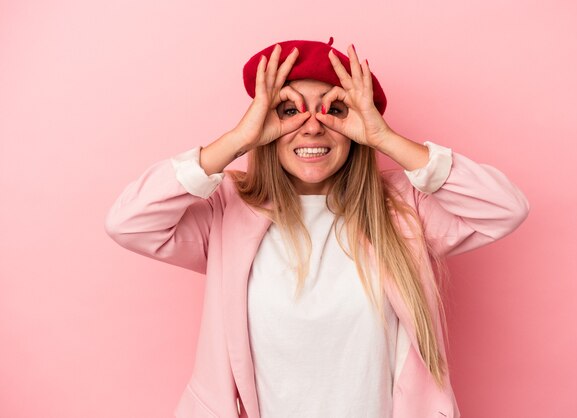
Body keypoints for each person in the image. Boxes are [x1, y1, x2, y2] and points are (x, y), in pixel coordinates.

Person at [105, 37, 530, 418]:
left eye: (334, 110)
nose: (312, 125)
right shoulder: (227, 210)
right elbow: (129, 222)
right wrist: (237, 139)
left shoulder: (403, 210)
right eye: (288, 111)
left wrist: (385, 138)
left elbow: (504, 208)